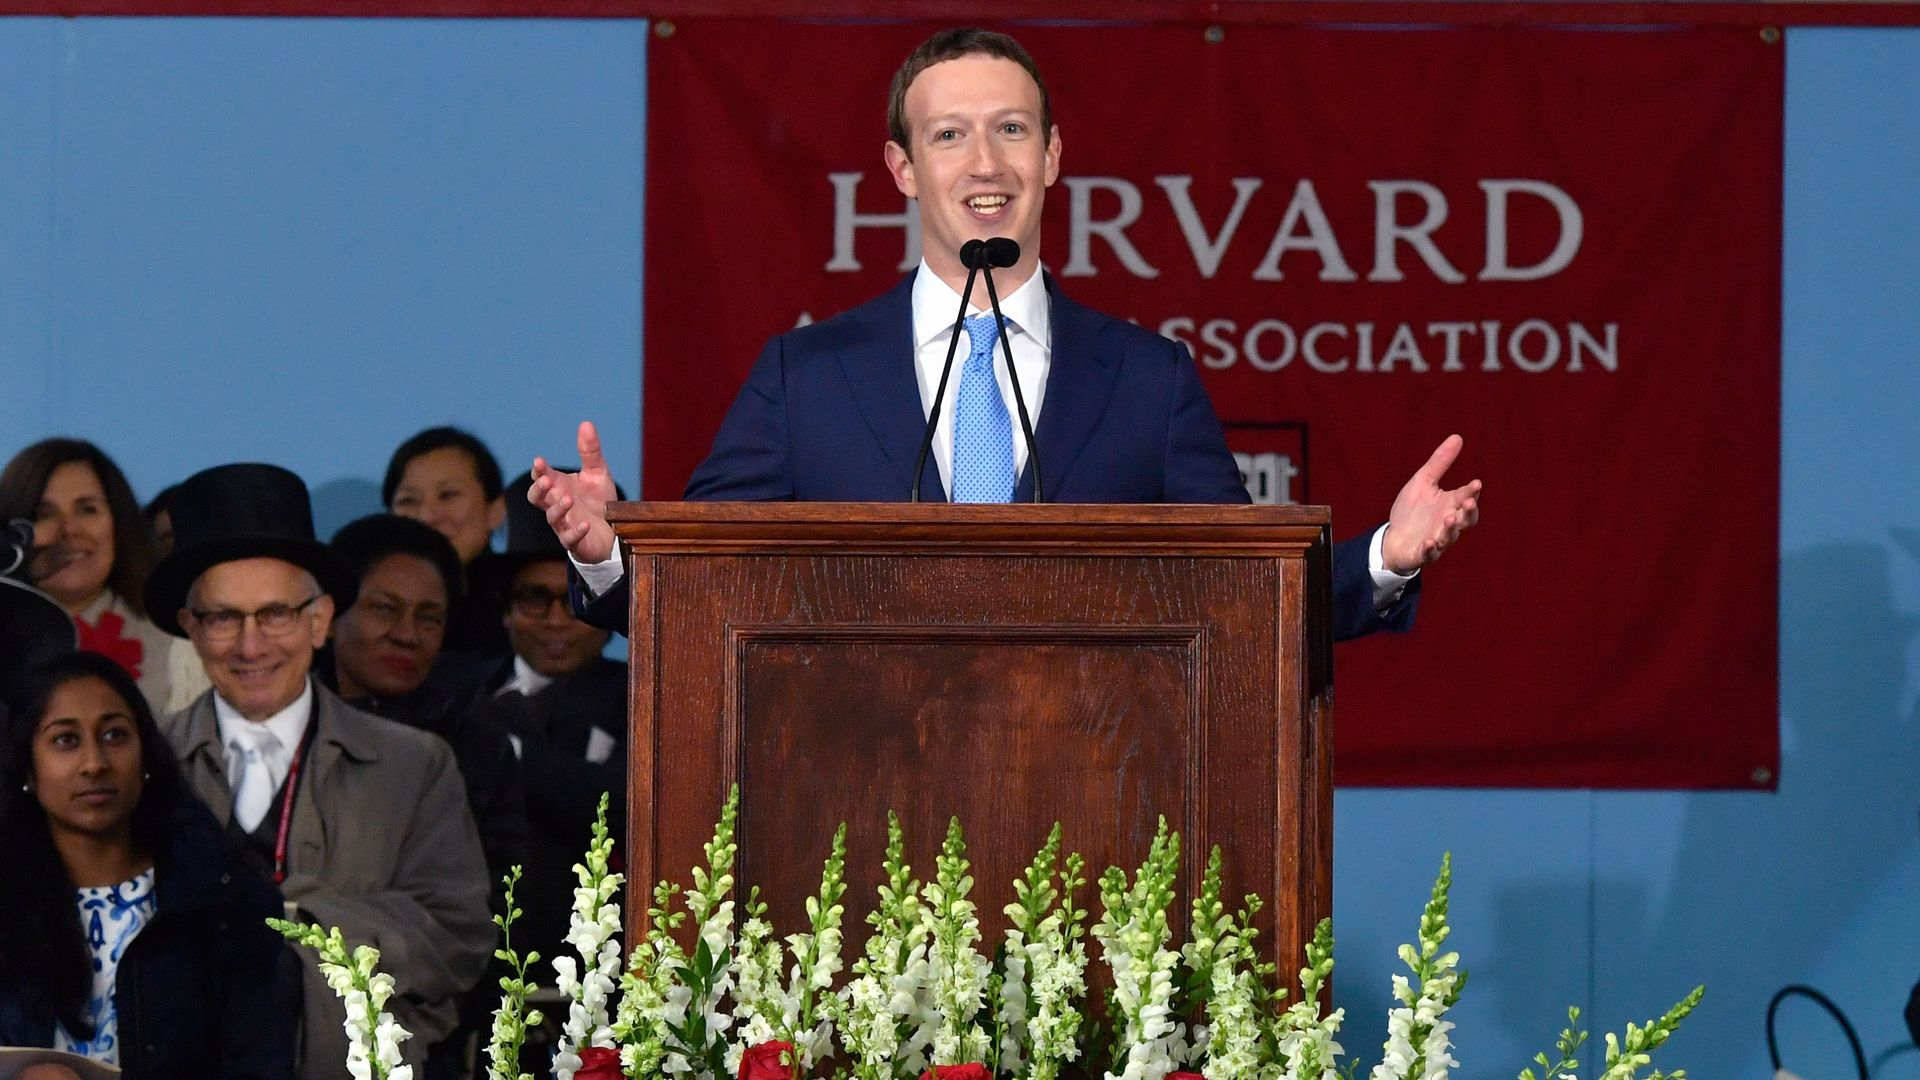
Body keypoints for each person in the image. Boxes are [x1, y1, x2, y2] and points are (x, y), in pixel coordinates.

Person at [530, 28, 1481, 643]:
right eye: (949, 137)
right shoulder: (806, 376)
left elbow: (1246, 600)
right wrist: (607, 547)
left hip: (1085, 829)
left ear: (1054, 155)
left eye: (1012, 130)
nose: (984, 163)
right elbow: (692, 600)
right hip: (851, 814)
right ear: (902, 169)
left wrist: (1381, 558)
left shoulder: (1149, 381)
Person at [146, 463, 494, 1080]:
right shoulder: (145, 766)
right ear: (189, 627)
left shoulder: (413, 765)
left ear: (320, 618)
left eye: (275, 613)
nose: (251, 647)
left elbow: (459, 939)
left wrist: (293, 918)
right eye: (224, 618)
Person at [0, 650, 297, 1079]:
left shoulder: (219, 901)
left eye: (115, 735)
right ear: (27, 768)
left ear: (145, 757)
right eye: (66, 740)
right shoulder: (10, 900)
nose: (95, 764)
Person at [321, 513, 528, 1080]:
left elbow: (492, 915)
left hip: (423, 1032)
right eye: (384, 608)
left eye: (428, 617)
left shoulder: (474, 750)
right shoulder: (287, 727)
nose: (407, 634)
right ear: (329, 611)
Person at [466, 471, 627, 971]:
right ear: (508, 610)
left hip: (605, 969)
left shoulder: (645, 694)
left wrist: (502, 749)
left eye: (576, 599)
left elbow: (621, 806)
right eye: (537, 599)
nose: (558, 620)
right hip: (480, 966)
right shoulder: (459, 696)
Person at [0, 439, 210, 714]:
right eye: (43, 514)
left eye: (87, 509)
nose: (69, 530)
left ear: (118, 524)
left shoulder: (179, 644)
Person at [383, 427, 512, 666]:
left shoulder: (520, 613)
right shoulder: (366, 617)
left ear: (495, 510)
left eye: (448, 495)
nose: (428, 517)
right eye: (408, 501)